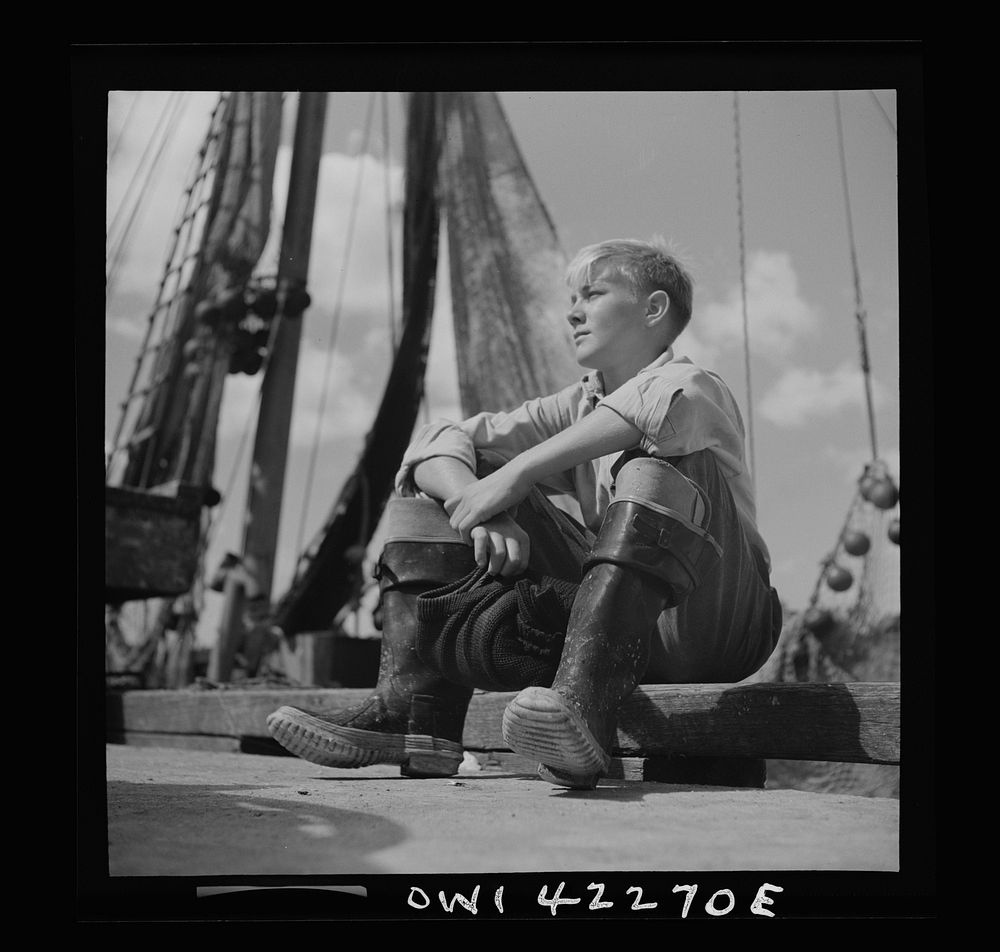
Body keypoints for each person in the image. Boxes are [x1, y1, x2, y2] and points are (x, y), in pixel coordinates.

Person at [267, 237, 781, 788]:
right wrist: (480, 506)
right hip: (623, 634)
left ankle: (582, 706)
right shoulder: (574, 406)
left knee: (655, 467)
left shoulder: (697, 385)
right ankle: (416, 717)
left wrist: (516, 477)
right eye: (571, 298)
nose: (573, 311)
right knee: (440, 486)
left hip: (722, 625)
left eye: (593, 294)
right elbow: (439, 440)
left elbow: (661, 404)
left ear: (654, 310)